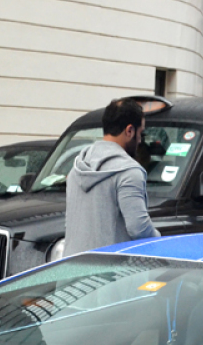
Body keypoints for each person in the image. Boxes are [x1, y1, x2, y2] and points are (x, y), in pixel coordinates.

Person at [65, 98, 161, 254]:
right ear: (129, 130)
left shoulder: (76, 169)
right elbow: (139, 228)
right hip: (111, 274)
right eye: (140, 133)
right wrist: (160, 241)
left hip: (72, 270)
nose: (140, 141)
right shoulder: (129, 172)